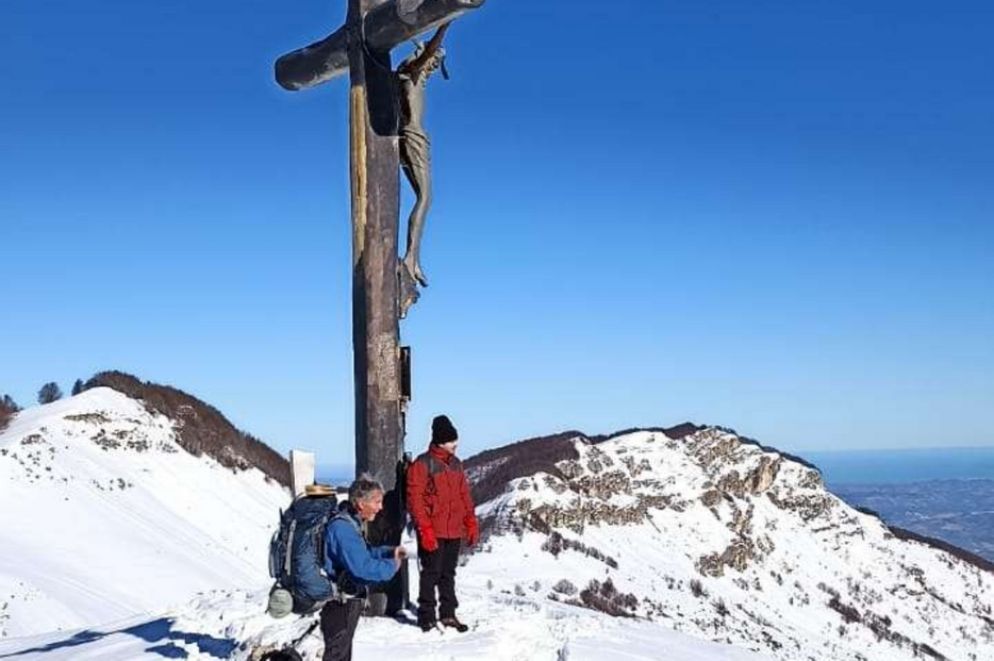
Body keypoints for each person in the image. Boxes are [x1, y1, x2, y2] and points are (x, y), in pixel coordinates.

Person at [406, 414, 479, 632]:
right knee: (431, 573)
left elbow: (464, 495)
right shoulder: (422, 464)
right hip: (433, 529)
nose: (455, 445)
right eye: (451, 441)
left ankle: (448, 614)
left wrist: (470, 521)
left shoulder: (456, 464)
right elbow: (415, 499)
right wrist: (424, 529)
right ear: (439, 441)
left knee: (448, 573)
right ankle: (426, 615)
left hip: (453, 529)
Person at [321, 475, 405, 661]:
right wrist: (391, 566)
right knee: (338, 654)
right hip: (339, 602)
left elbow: (363, 552)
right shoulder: (343, 529)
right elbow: (362, 568)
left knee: (341, 652)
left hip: (343, 600)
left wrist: (387, 552)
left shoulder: (349, 521)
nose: (381, 507)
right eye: (377, 501)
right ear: (360, 503)